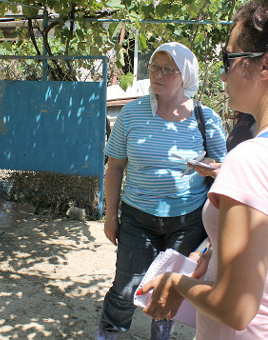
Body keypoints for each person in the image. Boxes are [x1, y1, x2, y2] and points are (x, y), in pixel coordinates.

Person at [138, 0, 268, 339]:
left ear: (265, 66)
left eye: (228, 58)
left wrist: (176, 284)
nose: (223, 75)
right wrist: (215, 252)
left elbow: (235, 309)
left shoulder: (254, 159)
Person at [97, 42, 227, 340]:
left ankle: (161, 336)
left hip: (187, 221)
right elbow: (115, 167)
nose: (159, 74)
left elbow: (227, 172)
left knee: (168, 290)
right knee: (125, 289)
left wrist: (212, 168)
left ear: (186, 76)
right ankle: (108, 335)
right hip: (137, 218)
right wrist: (110, 215)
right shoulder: (130, 114)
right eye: (155, 66)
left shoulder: (205, 119)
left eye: (169, 69)